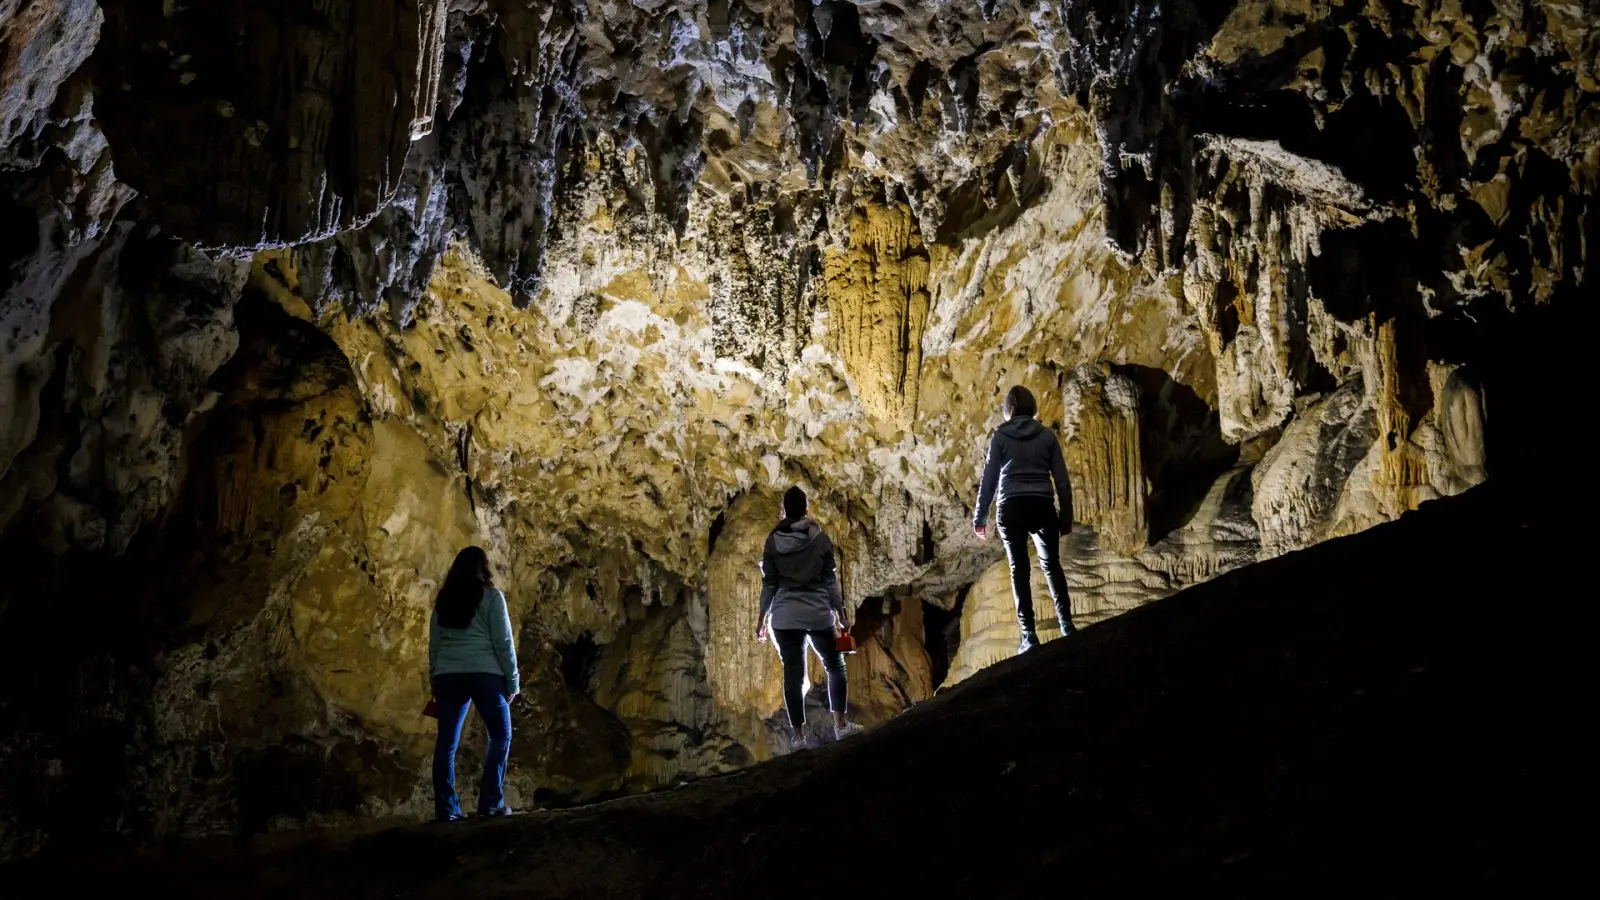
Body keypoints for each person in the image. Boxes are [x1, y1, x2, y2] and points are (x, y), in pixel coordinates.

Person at [756, 486, 863, 750]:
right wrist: (840, 614)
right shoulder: (820, 539)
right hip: (817, 614)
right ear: (806, 510)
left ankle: (798, 738)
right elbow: (830, 582)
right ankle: (840, 726)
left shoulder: (772, 541)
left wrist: (761, 618)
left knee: (793, 675)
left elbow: (769, 585)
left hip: (784, 616)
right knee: (834, 666)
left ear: (783, 511)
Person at [971, 385, 1076, 653]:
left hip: (1011, 506)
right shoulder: (1046, 436)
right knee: (1051, 564)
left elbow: (990, 480)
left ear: (1008, 412)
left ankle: (1029, 635)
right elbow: (1062, 481)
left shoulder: (1000, 437)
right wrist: (1066, 516)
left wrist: (980, 517)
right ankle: (1066, 624)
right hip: (1042, 504)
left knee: (1019, 569)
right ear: (1033, 409)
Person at [428, 546, 519, 821]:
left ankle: (447, 809)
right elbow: (503, 642)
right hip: (484, 674)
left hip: (448, 676)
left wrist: (435, 679)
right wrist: (512, 682)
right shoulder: (491, 597)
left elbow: (434, 644)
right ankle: (491, 803)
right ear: (484, 568)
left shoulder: (444, 600)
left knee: (446, 743)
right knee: (501, 735)